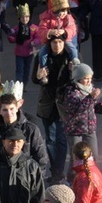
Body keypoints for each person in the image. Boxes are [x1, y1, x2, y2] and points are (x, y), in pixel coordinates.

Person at [32, 31, 74, 183]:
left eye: (60, 43)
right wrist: (39, 76)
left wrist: (72, 71)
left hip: (64, 103)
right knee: (50, 138)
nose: (57, 45)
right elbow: (34, 79)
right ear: (49, 44)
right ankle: (55, 171)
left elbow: (78, 80)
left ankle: (59, 171)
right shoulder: (42, 58)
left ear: (64, 43)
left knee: (61, 139)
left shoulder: (71, 58)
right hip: (48, 103)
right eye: (54, 43)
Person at [58, 63, 102, 161]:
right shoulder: (71, 92)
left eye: (90, 78)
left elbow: (94, 106)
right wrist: (90, 97)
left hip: (89, 130)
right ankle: (73, 177)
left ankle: (91, 177)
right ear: (78, 78)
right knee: (76, 160)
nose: (89, 81)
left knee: (93, 159)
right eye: (85, 78)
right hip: (75, 131)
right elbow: (76, 109)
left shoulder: (90, 89)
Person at [0, 93, 49, 171]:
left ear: (17, 108)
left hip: (25, 175)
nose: (9, 113)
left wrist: (35, 178)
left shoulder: (31, 129)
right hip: (0, 176)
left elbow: (41, 158)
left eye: (11, 109)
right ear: (0, 111)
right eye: (5, 110)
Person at [37, 0, 80, 66]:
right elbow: (41, 30)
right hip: (50, 41)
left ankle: (74, 64)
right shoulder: (46, 18)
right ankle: (43, 68)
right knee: (42, 53)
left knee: (73, 50)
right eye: (59, 11)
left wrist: (64, 31)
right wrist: (50, 32)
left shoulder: (68, 18)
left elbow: (73, 29)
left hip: (65, 40)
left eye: (64, 10)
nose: (62, 13)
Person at [8, 4, 41, 84]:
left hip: (29, 53)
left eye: (26, 17)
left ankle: (24, 84)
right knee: (19, 69)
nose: (25, 19)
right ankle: (19, 83)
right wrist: (15, 39)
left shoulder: (34, 28)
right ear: (19, 18)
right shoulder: (16, 28)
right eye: (22, 17)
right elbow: (10, 36)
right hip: (19, 53)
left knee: (27, 69)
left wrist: (34, 42)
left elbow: (39, 37)